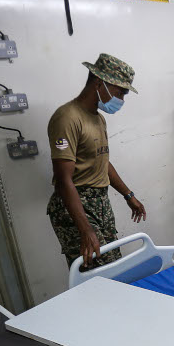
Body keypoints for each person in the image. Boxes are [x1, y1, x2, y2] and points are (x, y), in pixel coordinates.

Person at [47, 53, 147, 271]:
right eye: (121, 92)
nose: (122, 99)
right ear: (100, 83)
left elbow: (102, 161)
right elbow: (64, 181)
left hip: (100, 202)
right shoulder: (67, 118)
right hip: (76, 206)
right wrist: (85, 229)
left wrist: (128, 195)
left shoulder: (98, 118)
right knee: (98, 275)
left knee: (114, 268)